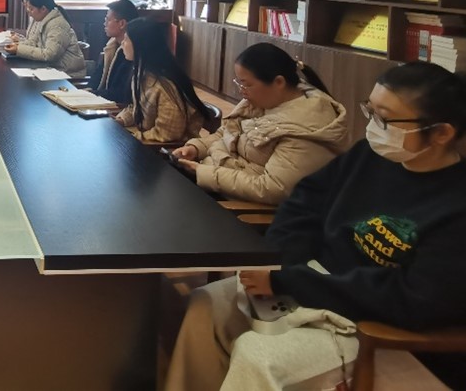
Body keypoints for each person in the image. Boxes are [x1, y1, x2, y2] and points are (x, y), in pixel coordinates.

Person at [165, 62, 466, 391]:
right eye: (370, 111)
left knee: (258, 356)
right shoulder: (369, 156)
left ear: (441, 133)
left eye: (386, 119)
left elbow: (413, 300)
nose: (373, 127)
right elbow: (303, 204)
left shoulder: (455, 208)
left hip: (374, 325)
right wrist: (279, 263)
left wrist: (288, 281)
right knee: (205, 306)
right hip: (312, 281)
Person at [170, 44, 349, 204]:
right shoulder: (262, 100)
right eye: (239, 83)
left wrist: (205, 173)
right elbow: (226, 132)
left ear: (279, 82)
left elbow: (273, 188)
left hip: (236, 205)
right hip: (215, 181)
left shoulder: (306, 127)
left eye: (246, 84)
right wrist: (196, 148)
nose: (241, 91)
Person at [114, 17, 208, 143]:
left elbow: (168, 134)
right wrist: (121, 120)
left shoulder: (163, 86)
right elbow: (136, 108)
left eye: (126, 39)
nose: (122, 43)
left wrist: (133, 138)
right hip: (149, 141)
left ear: (140, 45)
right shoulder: (142, 73)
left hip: (169, 150)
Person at [3, 0, 86, 77]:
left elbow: (50, 55)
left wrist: (19, 50)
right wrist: (17, 46)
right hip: (52, 70)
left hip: (67, 74)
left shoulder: (57, 25)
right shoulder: (44, 20)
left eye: (31, 9)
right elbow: (34, 42)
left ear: (43, 9)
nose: (29, 13)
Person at [88, 0, 138, 105]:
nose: (104, 23)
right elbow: (98, 75)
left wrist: (91, 94)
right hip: (103, 101)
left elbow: (119, 93)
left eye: (108, 20)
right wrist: (88, 89)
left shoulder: (131, 52)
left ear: (122, 23)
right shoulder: (112, 45)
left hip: (116, 107)